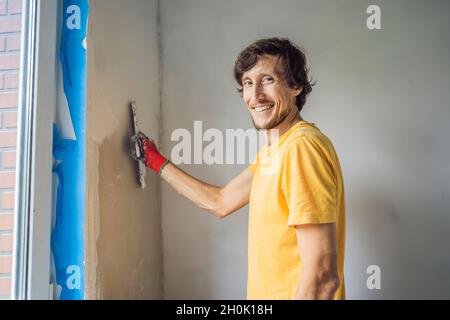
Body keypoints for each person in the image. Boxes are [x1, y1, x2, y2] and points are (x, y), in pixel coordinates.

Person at [132, 37, 346, 300]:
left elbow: (323, 277)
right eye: (247, 83)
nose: (255, 95)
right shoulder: (276, 151)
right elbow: (220, 202)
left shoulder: (301, 148)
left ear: (296, 87)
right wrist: (155, 161)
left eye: (267, 79)